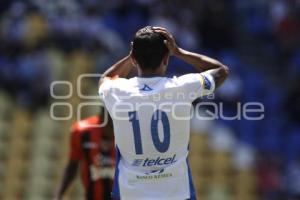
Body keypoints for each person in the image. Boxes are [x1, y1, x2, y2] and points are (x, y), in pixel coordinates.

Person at [98, 26, 229, 200]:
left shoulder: (117, 90)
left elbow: (104, 79)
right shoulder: (183, 87)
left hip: (130, 193)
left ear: (135, 59)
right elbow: (221, 71)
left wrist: (132, 55)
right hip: (177, 193)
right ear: (166, 59)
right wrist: (179, 52)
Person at [54, 108, 115, 200]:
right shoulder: (82, 132)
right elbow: (72, 166)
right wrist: (59, 195)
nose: (112, 130)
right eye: (110, 125)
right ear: (102, 117)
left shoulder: (129, 134)